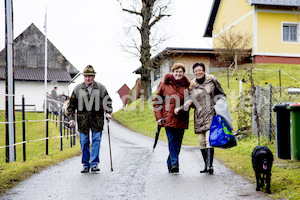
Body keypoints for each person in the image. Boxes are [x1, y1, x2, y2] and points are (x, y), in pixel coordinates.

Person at [175, 62, 226, 174]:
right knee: (201, 142)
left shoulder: (212, 81)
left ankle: (210, 166)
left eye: (200, 70)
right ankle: (205, 165)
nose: (198, 72)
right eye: (196, 71)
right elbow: (189, 102)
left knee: (209, 141)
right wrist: (180, 108)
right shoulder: (192, 86)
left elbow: (222, 95)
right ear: (194, 72)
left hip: (211, 115)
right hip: (199, 117)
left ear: (204, 70)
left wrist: (218, 106)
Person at [67, 65, 113, 173]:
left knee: (96, 140)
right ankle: (85, 164)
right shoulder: (78, 89)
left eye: (90, 76)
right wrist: (71, 119)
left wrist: (108, 112)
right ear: (83, 77)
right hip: (83, 120)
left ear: (94, 77)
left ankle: (94, 164)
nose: (88, 79)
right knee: (84, 141)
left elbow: (108, 102)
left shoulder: (101, 88)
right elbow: (71, 106)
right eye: (86, 76)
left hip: (97, 119)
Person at [153, 63, 191, 173]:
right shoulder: (164, 84)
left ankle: (170, 161)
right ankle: (175, 163)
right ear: (173, 72)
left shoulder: (187, 86)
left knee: (178, 143)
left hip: (182, 118)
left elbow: (191, 100)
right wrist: (159, 118)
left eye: (181, 72)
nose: (178, 74)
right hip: (167, 118)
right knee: (172, 139)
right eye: (176, 71)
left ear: (184, 73)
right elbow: (157, 102)